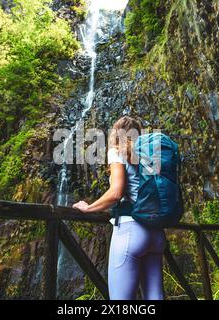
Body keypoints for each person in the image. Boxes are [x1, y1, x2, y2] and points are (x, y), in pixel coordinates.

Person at [72, 116, 166, 300]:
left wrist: (89, 207)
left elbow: (116, 192)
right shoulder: (151, 155)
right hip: (156, 233)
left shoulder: (117, 151)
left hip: (131, 231)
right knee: (155, 297)